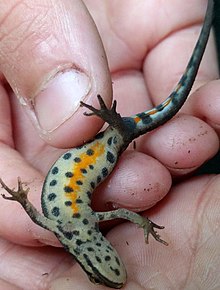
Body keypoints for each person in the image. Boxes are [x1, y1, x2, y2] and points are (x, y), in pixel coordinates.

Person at [0, 1, 219, 289]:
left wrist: (21, 198)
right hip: (107, 149)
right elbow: (121, 212)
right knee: (126, 149)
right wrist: (144, 223)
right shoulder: (88, 221)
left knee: (130, 139)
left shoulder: (58, 228)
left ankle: (113, 121)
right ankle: (114, 121)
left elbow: (32, 213)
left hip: (99, 145)